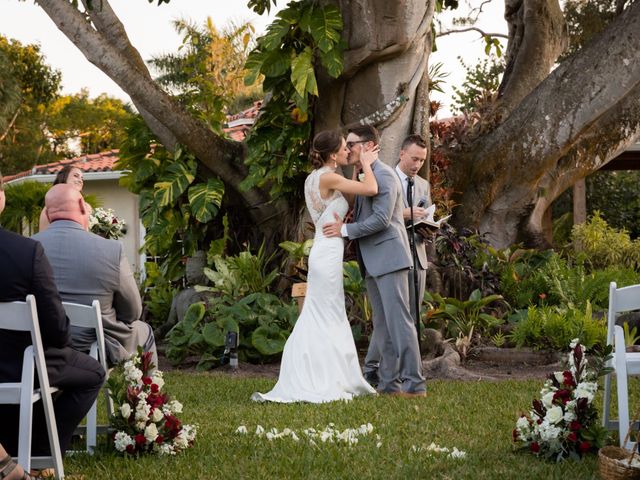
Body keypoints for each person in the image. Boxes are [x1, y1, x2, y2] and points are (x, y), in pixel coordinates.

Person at [252, 130, 379, 403]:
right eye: (345, 148)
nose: (349, 151)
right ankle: (322, 376)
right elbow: (371, 189)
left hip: (323, 248)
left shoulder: (313, 178)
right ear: (333, 154)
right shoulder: (330, 176)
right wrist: (367, 163)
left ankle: (324, 371)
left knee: (322, 312)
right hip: (328, 251)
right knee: (326, 313)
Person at [0, 177, 105, 459]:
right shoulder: (26, 252)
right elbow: (57, 331)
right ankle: (43, 450)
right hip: (21, 366)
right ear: (1, 199)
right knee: (93, 372)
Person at [323, 125, 426, 397]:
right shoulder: (363, 174)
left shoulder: (385, 175)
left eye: (352, 144)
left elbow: (381, 220)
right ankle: (389, 385)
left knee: (400, 323)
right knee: (383, 326)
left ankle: (415, 385)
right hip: (372, 261)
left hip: (390, 258)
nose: (348, 149)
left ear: (369, 146)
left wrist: (345, 231)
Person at [32, 184, 157, 367]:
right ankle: (146, 394)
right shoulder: (110, 249)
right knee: (144, 330)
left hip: (41, 346)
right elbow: (133, 311)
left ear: (48, 214)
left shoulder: (28, 247)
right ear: (82, 205)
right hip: (94, 348)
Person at [363, 134, 432, 386]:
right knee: (389, 317)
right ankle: (373, 367)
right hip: (391, 255)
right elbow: (382, 216)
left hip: (418, 254)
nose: (417, 164)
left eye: (422, 160)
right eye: (414, 158)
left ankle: (402, 372)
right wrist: (404, 214)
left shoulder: (423, 184)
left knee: (410, 316)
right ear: (401, 153)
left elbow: (426, 214)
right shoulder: (382, 178)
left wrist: (428, 226)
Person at [38, 165, 88, 232]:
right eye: (76, 176)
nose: (80, 180)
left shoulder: (85, 206)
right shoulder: (49, 208)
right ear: (64, 177)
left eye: (82, 178)